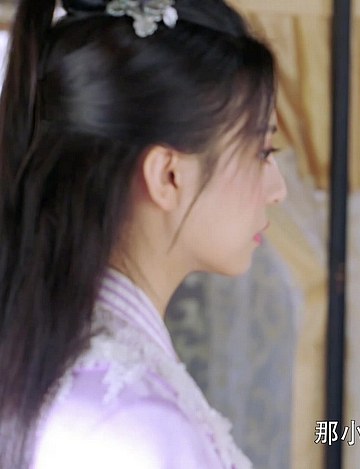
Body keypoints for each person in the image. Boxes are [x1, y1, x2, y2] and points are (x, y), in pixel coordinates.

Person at [0, 0, 286, 467]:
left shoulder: (69, 367)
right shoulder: (134, 424)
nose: (278, 190)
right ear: (168, 176)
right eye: (262, 152)